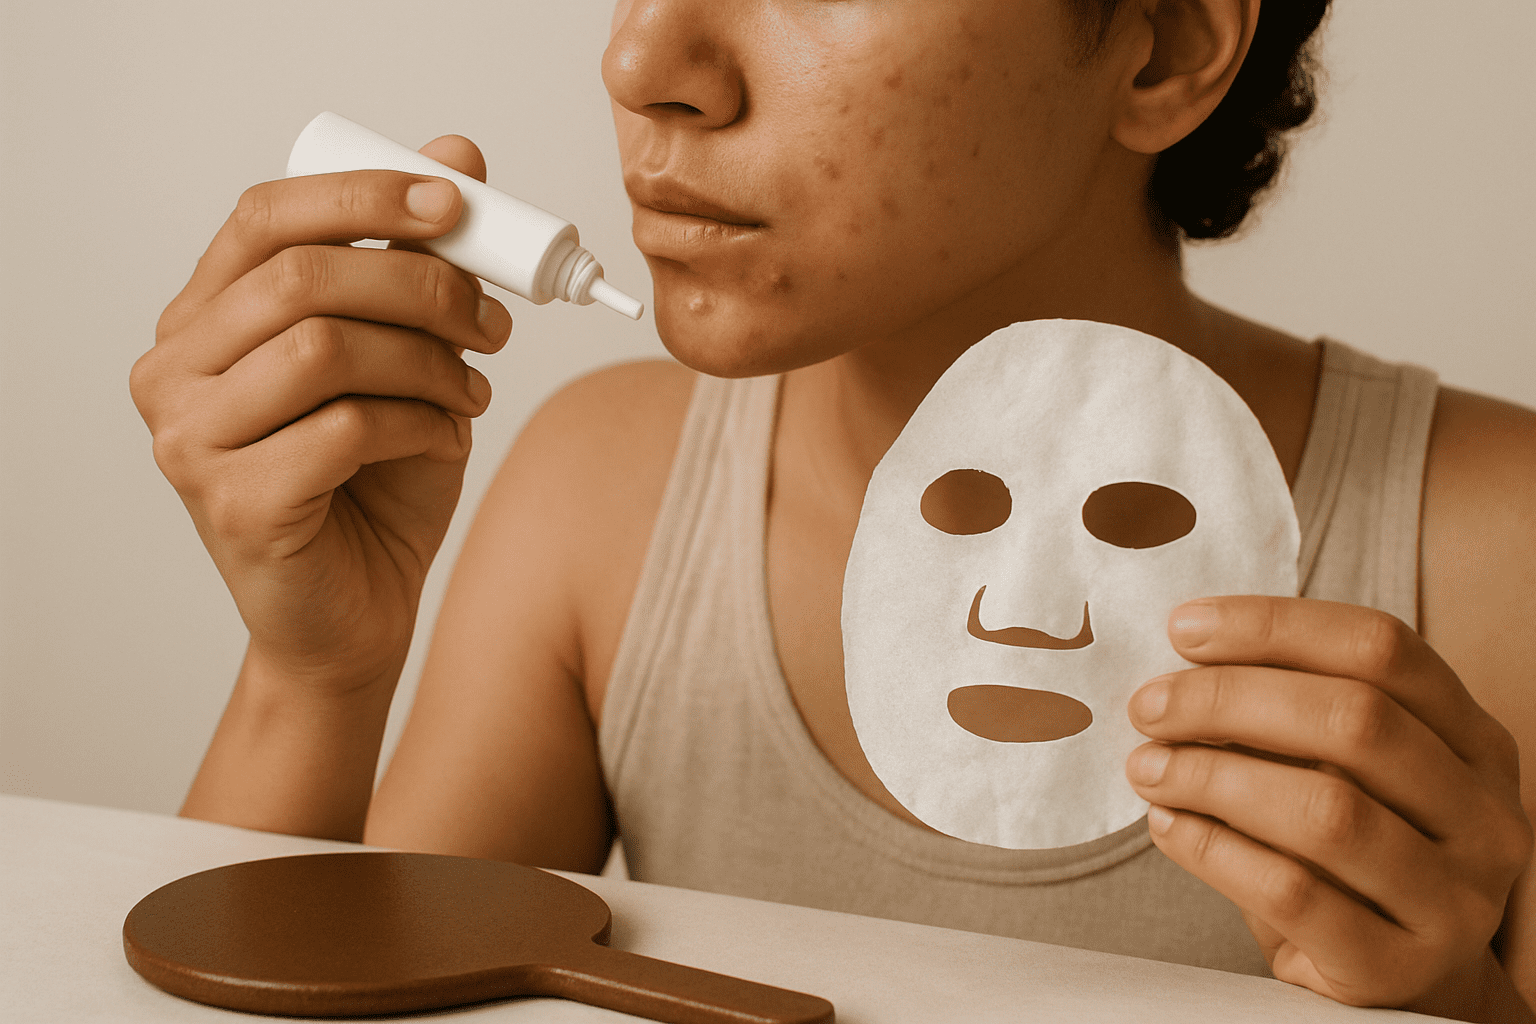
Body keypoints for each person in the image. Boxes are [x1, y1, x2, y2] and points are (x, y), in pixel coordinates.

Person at [128, 0, 1536, 1018]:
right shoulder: (597, 498)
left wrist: (1456, 1002)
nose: (644, 60)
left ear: (1162, 46)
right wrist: (315, 677)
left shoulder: (1493, 552)